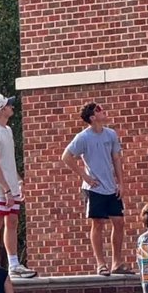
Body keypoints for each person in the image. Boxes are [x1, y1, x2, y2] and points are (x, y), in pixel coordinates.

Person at [62, 102, 126, 276]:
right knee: (97, 223)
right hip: (94, 188)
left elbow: (116, 158)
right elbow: (67, 157)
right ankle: (101, 263)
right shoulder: (83, 137)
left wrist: (120, 182)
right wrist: (86, 177)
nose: (103, 111)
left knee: (119, 222)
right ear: (92, 117)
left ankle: (117, 263)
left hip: (111, 187)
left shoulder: (111, 134)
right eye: (99, 110)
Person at [0, 94, 36, 280]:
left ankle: (13, 263)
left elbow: (7, 162)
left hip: (11, 185)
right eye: (8, 105)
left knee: (12, 221)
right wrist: (5, 188)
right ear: (1, 109)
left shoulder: (8, 130)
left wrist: (18, 181)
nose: (11, 107)